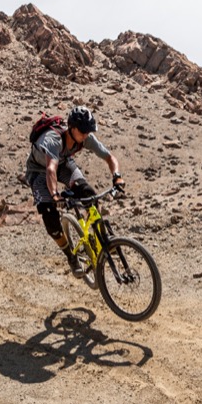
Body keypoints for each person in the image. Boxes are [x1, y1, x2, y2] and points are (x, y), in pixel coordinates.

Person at [26, 105, 124, 276]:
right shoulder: (53, 140)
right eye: (83, 131)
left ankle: (103, 239)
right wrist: (55, 195)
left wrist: (117, 176)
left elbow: (109, 157)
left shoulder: (85, 137)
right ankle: (71, 256)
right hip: (39, 171)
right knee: (50, 217)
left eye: (88, 131)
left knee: (89, 194)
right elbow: (50, 169)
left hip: (63, 164)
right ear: (71, 128)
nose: (86, 135)